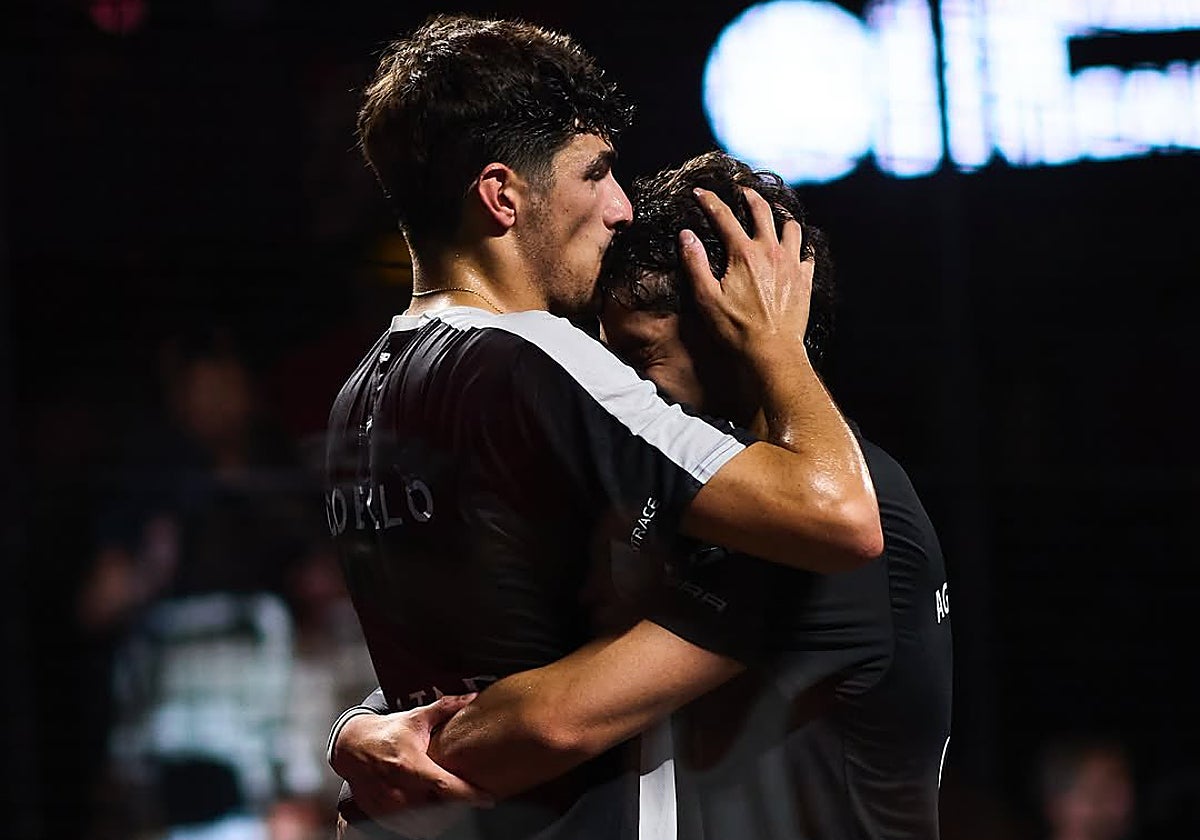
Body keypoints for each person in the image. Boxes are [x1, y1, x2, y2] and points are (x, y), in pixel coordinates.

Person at [324, 12, 882, 840]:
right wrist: (776, 343)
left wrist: (352, 730)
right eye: (595, 173)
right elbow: (838, 515)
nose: (621, 207)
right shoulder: (534, 356)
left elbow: (447, 677)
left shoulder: (360, 393)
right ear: (502, 195)